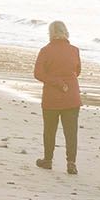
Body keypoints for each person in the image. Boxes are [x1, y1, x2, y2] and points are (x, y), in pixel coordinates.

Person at [33, 19, 83, 173]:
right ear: (65, 32)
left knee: (49, 129)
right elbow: (78, 71)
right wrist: (63, 81)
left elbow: (38, 73)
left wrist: (55, 82)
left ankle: (48, 160)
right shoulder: (74, 50)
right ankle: (71, 163)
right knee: (71, 132)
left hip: (51, 97)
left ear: (51, 33)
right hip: (71, 96)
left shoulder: (45, 51)